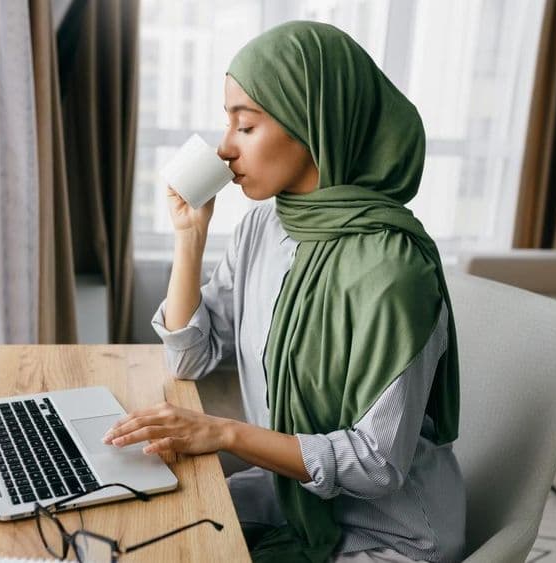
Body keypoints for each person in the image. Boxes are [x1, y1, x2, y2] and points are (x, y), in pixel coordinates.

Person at [102, 20, 466, 563]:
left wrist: (224, 433)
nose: (225, 149)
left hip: (390, 533)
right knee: (142, 525)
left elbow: (376, 464)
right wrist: (189, 240)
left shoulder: (396, 273)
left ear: (311, 125)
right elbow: (191, 357)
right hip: (292, 496)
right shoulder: (265, 227)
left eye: (244, 127)